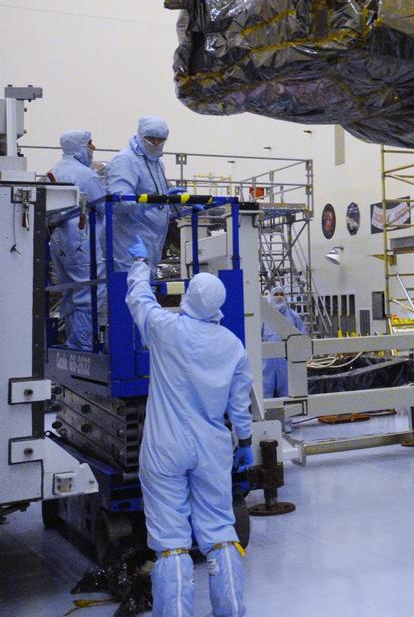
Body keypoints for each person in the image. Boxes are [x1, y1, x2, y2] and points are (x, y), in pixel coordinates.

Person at [124, 236, 253, 617]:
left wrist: (140, 265)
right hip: (212, 447)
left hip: (165, 446)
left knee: (171, 542)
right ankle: (230, 609)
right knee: (219, 533)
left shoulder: (166, 329)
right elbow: (240, 406)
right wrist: (244, 441)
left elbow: (139, 301)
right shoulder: (233, 346)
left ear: (188, 299)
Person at [48, 130, 107, 350]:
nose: (93, 148)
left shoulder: (54, 171)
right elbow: (105, 206)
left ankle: (74, 342)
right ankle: (85, 346)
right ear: (79, 146)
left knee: (70, 292)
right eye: (90, 144)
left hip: (58, 238)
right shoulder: (86, 175)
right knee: (89, 292)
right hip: (82, 237)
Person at [106, 116, 173, 273]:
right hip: (130, 242)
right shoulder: (125, 161)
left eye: (161, 140)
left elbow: (160, 198)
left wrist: (179, 202)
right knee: (131, 289)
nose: (156, 143)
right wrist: (153, 202)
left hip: (151, 240)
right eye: (151, 139)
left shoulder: (157, 163)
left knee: (144, 289)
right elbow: (120, 201)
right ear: (140, 135)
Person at [262, 286, 305, 399]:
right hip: (267, 365)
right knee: (265, 397)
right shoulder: (263, 318)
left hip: (287, 364)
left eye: (281, 294)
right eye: (276, 294)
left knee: (288, 397)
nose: (279, 297)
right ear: (271, 296)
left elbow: (302, 340)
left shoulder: (294, 317)